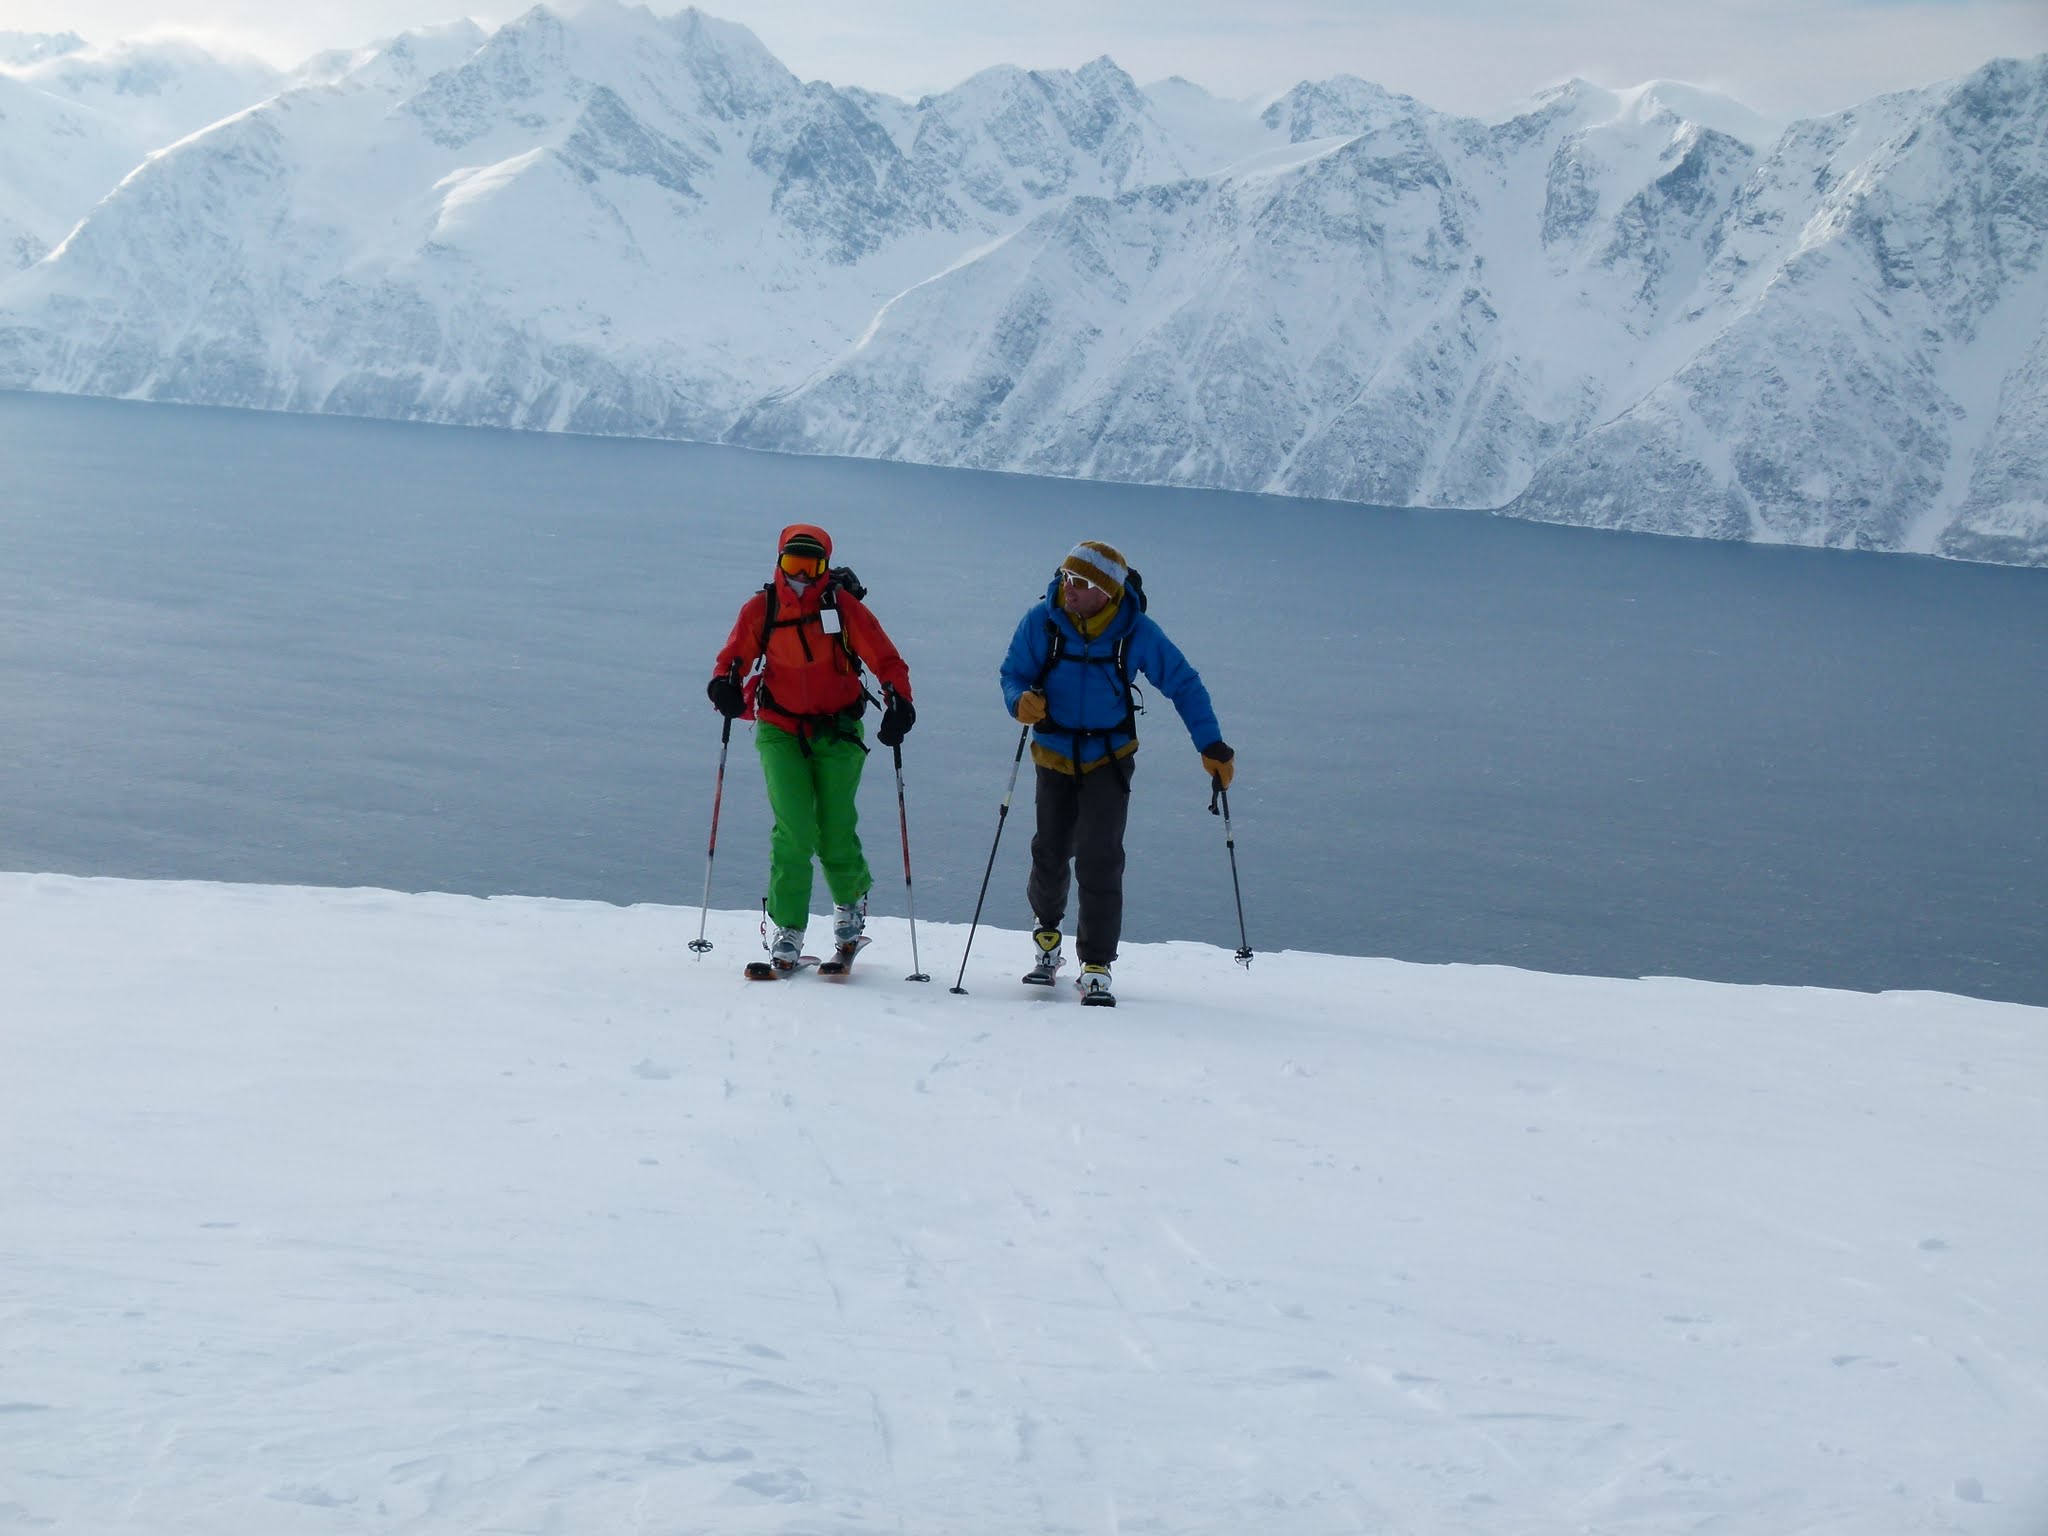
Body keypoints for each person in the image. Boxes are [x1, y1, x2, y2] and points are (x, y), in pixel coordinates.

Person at [999, 540, 1233, 1003]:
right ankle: (1047, 940)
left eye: (1081, 583)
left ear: (1106, 591)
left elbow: (1183, 683)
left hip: (1109, 757)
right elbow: (1012, 674)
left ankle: (1097, 963)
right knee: (1050, 853)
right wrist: (1019, 702)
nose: (1070, 589)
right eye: (1066, 578)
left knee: (1099, 857)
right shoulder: (1041, 622)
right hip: (1053, 752)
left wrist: (1211, 746)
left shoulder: (1134, 631)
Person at [708, 524, 914, 969]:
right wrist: (723, 684)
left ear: (825, 567)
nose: (801, 575)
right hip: (780, 728)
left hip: (837, 730)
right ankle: (789, 929)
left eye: (811, 565)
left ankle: (849, 909)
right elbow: (732, 659)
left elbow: (886, 659)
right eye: (792, 564)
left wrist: (900, 702)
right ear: (778, 563)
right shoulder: (760, 609)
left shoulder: (845, 609)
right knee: (794, 831)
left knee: (834, 829)